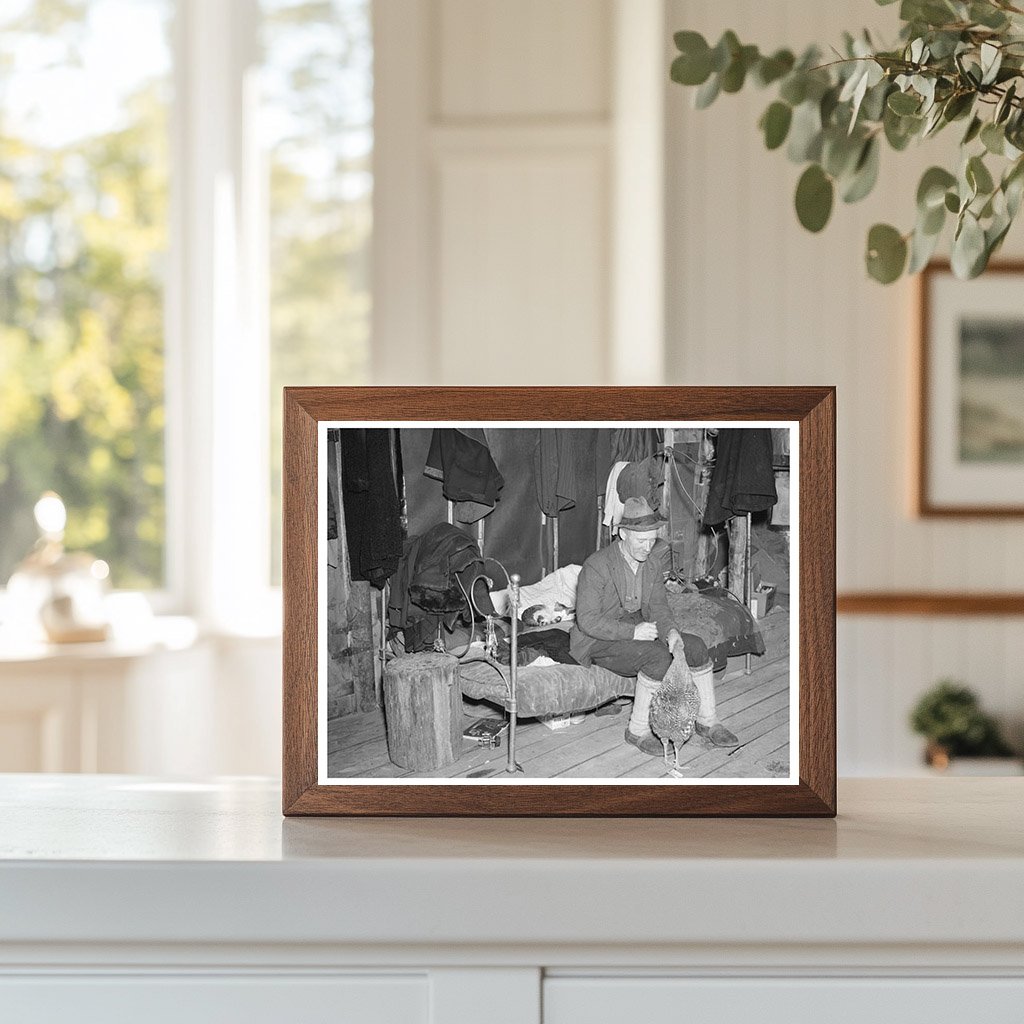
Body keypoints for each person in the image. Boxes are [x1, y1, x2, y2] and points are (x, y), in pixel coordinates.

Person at [569, 497, 740, 754]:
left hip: (635, 627)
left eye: (652, 540)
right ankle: (637, 730)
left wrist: (670, 631)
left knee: (694, 646)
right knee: (657, 657)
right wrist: (632, 632)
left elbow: (659, 608)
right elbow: (587, 620)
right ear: (623, 534)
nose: (648, 547)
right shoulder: (597, 565)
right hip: (596, 638)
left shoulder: (651, 563)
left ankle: (707, 721)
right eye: (641, 541)